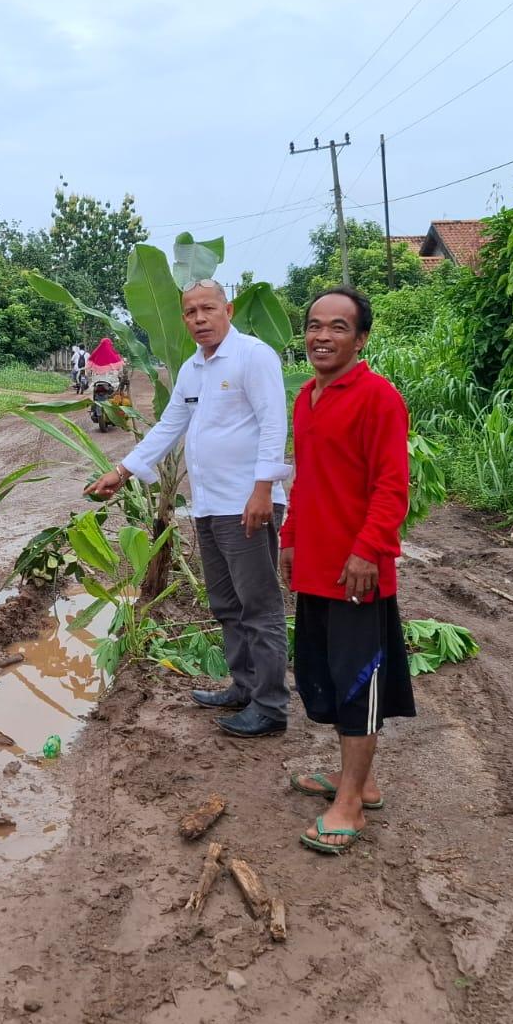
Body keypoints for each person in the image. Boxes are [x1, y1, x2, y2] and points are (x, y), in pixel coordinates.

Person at [85, 278, 291, 737]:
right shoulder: (193, 369)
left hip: (247, 503)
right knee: (227, 603)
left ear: (227, 310)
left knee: (258, 606)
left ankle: (271, 706)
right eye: (190, 312)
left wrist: (263, 489)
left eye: (207, 309)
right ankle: (244, 687)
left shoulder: (253, 356)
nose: (199, 319)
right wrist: (122, 471)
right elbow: (169, 425)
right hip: (210, 504)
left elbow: (274, 424)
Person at [279, 287, 414, 855]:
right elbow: (307, 479)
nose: (322, 336)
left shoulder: (379, 398)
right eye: (315, 325)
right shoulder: (307, 398)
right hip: (315, 566)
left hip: (358, 573)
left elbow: (392, 486)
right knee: (331, 677)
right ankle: (361, 780)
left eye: (338, 327)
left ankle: (351, 804)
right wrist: (289, 537)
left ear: (361, 339)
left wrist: (367, 551)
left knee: (358, 684)